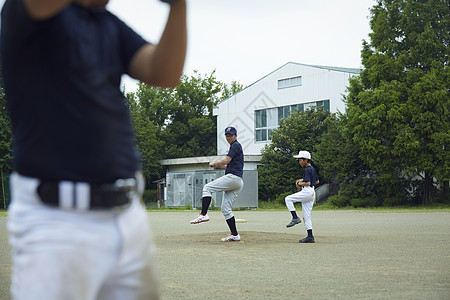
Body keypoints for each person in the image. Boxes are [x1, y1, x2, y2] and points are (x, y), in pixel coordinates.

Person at [1, 0, 186, 299]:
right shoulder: (25, 10)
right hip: (57, 221)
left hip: (127, 215)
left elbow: (163, 73)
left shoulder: (106, 23)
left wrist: (178, 5)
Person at [190, 126, 244, 242]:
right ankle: (235, 235)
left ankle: (203, 214)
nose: (229, 137)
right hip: (237, 181)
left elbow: (226, 161)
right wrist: (216, 165)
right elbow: (227, 166)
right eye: (227, 135)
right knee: (226, 209)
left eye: (231, 135)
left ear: (235, 136)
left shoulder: (235, 145)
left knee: (207, 188)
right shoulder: (235, 147)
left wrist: (215, 162)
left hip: (233, 178)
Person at [285, 150, 319, 243]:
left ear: (306, 160)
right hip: (311, 192)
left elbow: (307, 183)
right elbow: (316, 182)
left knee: (288, 199)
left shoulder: (307, 169)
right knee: (306, 216)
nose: (299, 161)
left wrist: (300, 183)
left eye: (300, 159)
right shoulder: (312, 168)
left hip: (307, 191)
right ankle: (310, 236)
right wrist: (304, 181)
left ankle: (295, 217)